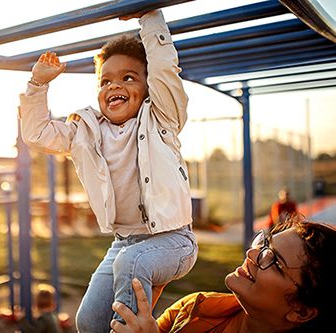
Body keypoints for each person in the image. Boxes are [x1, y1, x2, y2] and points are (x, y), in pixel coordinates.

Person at [19, 8, 197, 332]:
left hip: (174, 241)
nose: (115, 85)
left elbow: (164, 70)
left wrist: (150, 17)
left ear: (147, 88)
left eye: (128, 77)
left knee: (131, 265)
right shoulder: (85, 131)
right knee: (87, 321)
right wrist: (37, 85)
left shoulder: (161, 119)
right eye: (106, 81)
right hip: (124, 242)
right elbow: (37, 134)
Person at [111, 218, 336, 333]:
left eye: (274, 260)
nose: (252, 253)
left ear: (301, 311)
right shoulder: (195, 308)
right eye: (264, 243)